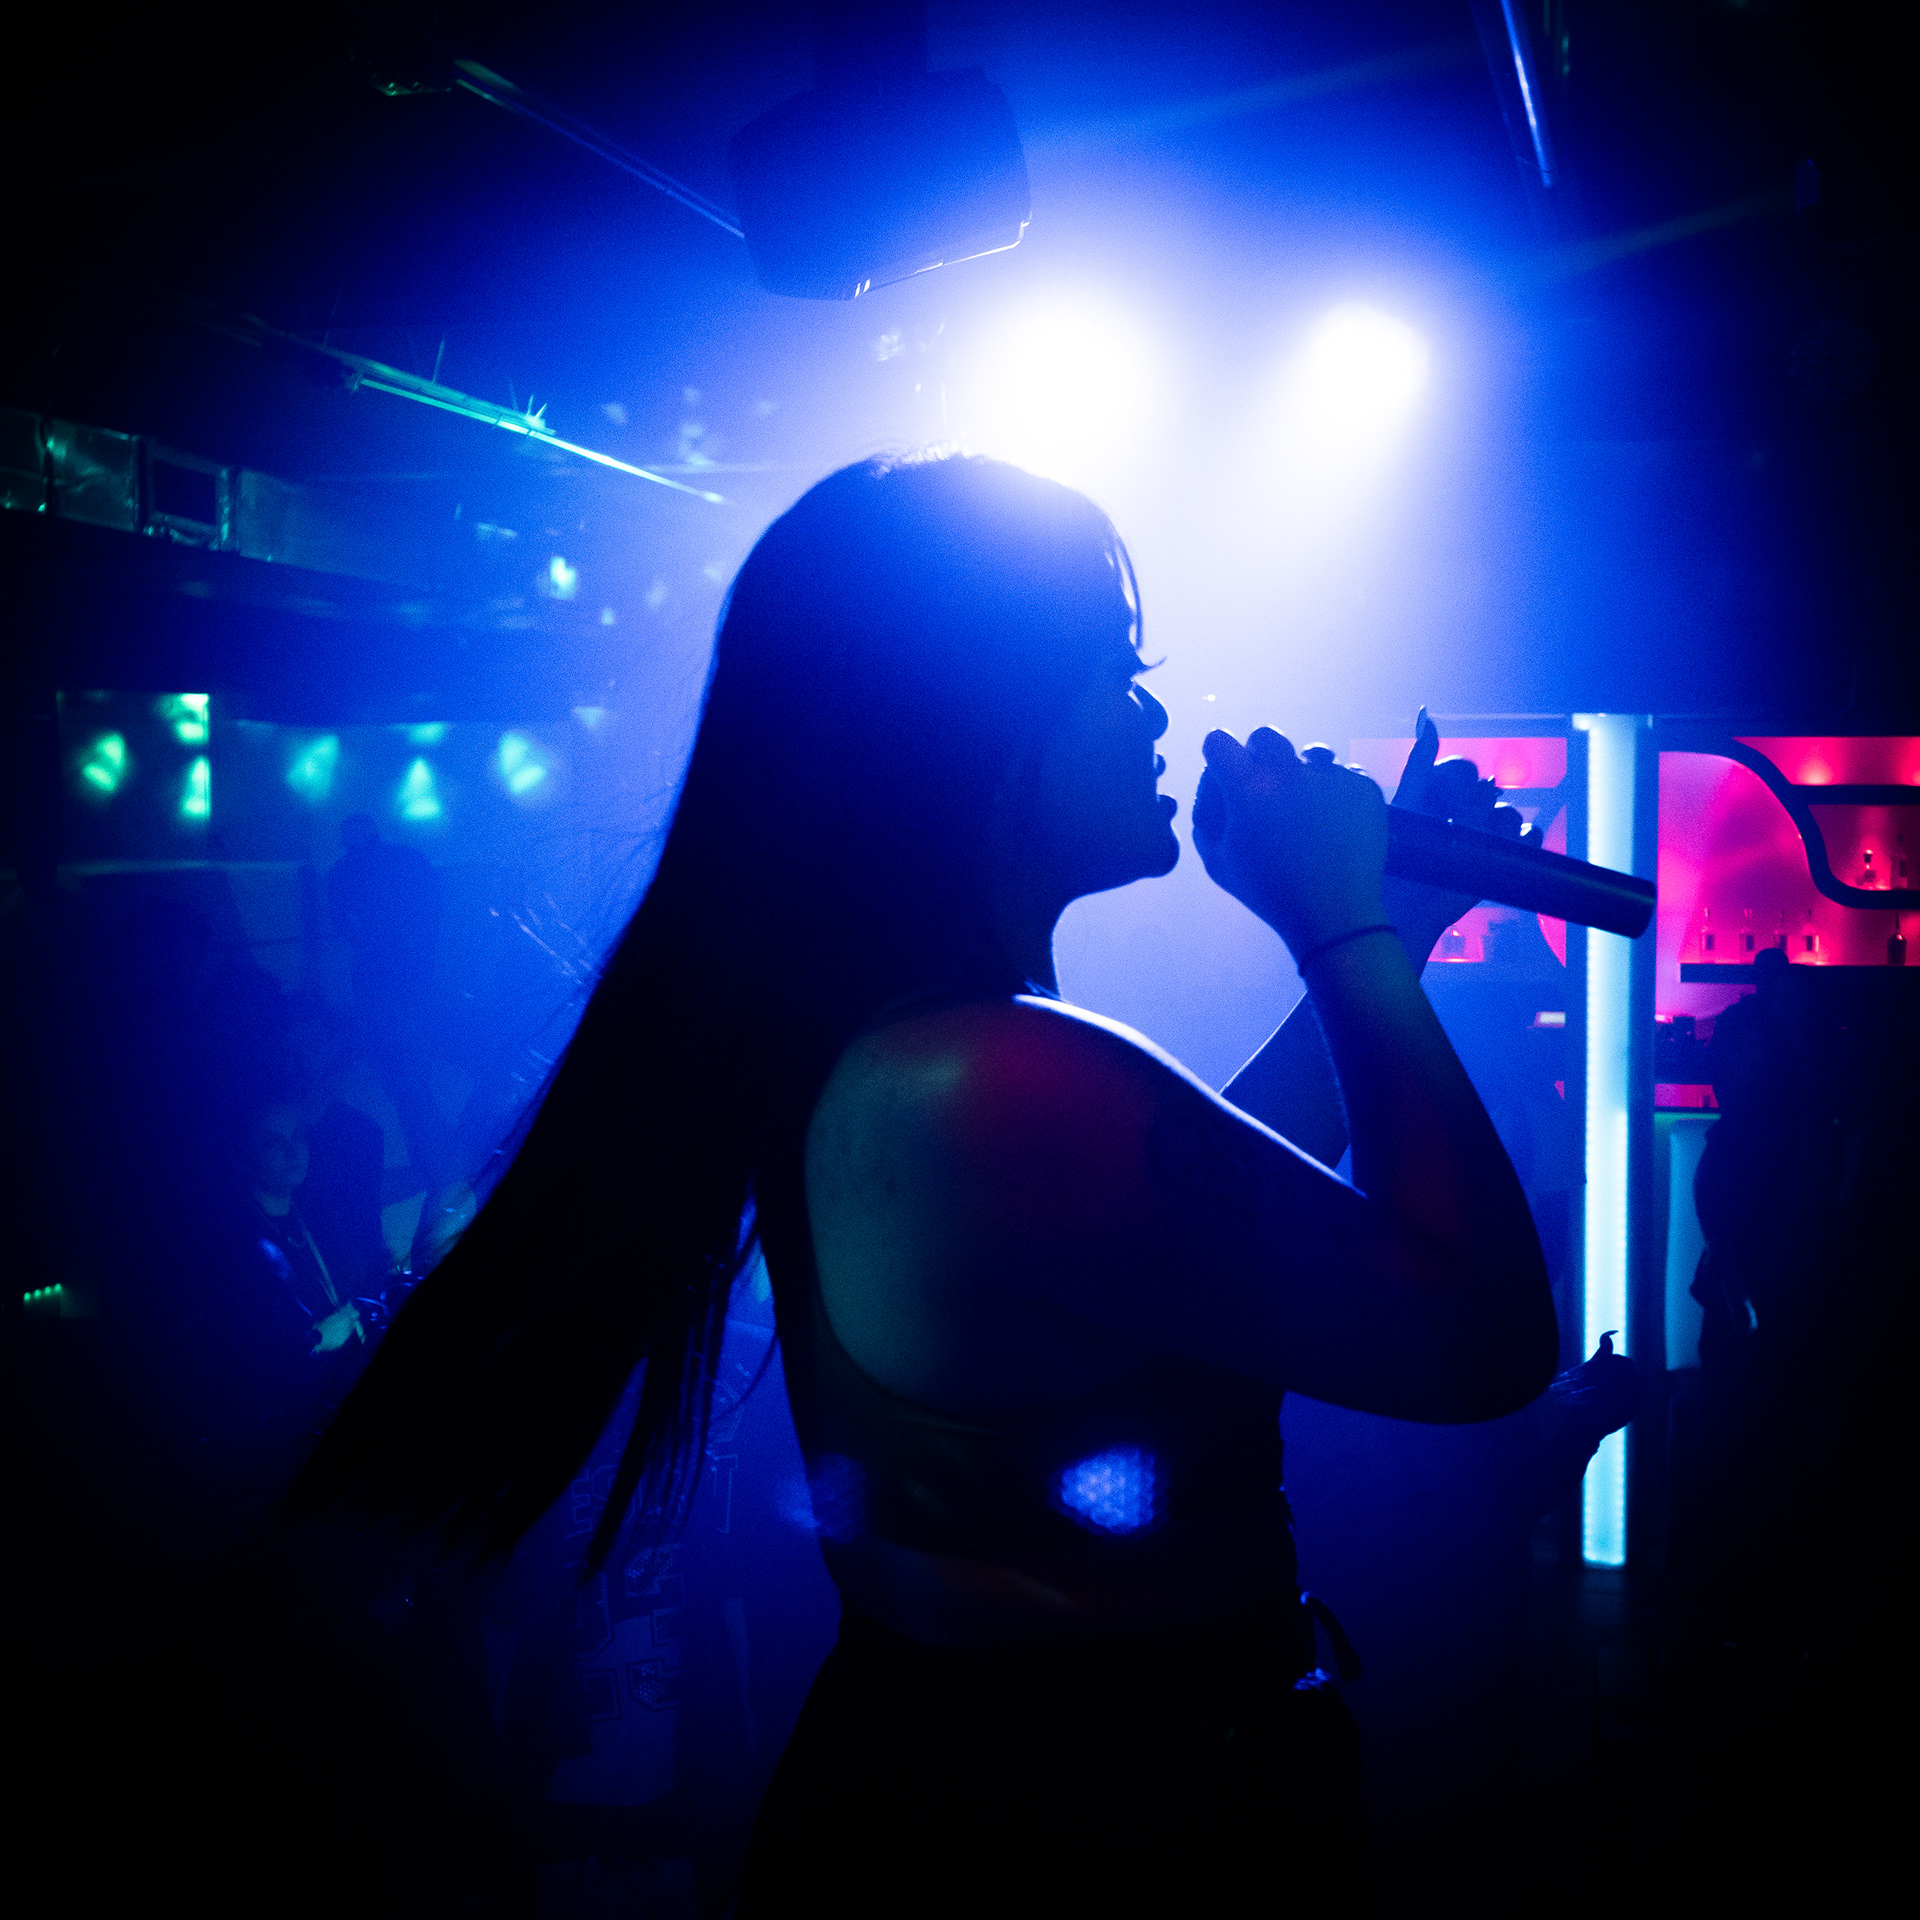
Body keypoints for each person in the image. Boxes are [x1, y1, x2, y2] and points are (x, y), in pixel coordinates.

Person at [294, 453, 1556, 1915]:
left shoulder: (942, 1057)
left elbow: (1195, 1225)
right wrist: (1342, 935)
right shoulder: (984, 1080)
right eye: (1113, 671)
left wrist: (1388, 923)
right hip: (1084, 1851)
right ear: (974, 728)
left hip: (1028, 1806)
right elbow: (1482, 1337)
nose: (1155, 713)